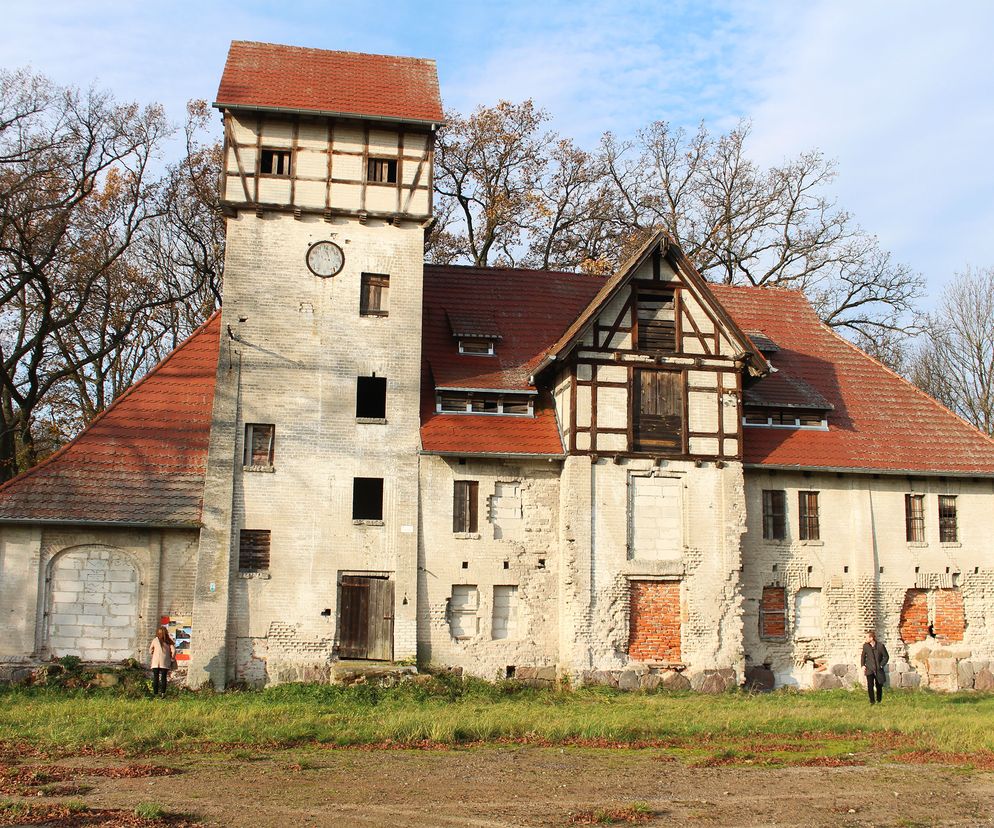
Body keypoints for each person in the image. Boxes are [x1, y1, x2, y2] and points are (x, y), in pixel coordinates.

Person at [860, 630, 889, 704]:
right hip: (869, 668)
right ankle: (872, 701)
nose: (865, 639)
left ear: (871, 638)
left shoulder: (880, 646)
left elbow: (886, 657)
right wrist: (863, 665)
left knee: (879, 685)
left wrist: (881, 665)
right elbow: (863, 656)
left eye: (866, 637)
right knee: (870, 685)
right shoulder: (865, 646)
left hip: (878, 669)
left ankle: (879, 701)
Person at [149, 626, 176, 697]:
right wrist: (172, 658)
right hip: (165, 662)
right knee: (163, 678)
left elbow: (150, 650)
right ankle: (163, 693)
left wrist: (153, 653)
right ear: (166, 633)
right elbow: (174, 651)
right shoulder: (169, 641)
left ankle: (155, 693)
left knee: (156, 678)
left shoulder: (155, 640)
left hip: (155, 662)